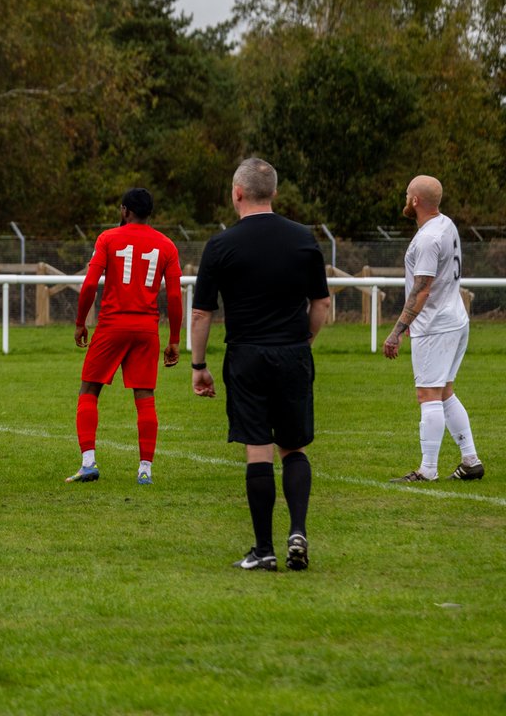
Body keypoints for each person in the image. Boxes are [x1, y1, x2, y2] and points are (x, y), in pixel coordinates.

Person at [190, 158, 330, 571]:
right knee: (293, 446)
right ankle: (298, 529)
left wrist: (199, 364)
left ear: (236, 193)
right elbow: (321, 303)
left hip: (247, 355)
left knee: (258, 449)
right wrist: (303, 340)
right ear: (273, 193)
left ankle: (264, 549)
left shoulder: (221, 245)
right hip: (292, 353)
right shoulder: (303, 239)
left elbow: (201, 314)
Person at [68, 188, 182, 486]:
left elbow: (91, 284)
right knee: (144, 397)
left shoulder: (108, 238)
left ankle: (89, 462)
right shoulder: (167, 245)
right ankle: (145, 468)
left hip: (112, 325)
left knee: (89, 390)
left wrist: (81, 322)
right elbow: (173, 295)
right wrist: (174, 340)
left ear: (124, 211)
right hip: (146, 329)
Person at [382, 175, 485, 483]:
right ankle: (471, 461)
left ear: (415, 201)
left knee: (428, 394)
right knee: (444, 392)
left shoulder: (427, 239)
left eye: (406, 194)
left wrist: (397, 330)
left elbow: (422, 289)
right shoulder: (447, 224)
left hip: (436, 326)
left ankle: (427, 470)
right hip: (455, 320)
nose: (405, 198)